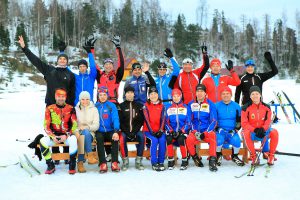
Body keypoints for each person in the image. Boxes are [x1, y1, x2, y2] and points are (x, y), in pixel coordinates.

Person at [18, 35, 75, 106]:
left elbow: (72, 93)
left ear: (67, 61)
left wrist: (71, 107)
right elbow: (36, 61)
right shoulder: (49, 70)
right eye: (60, 59)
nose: (62, 60)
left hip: (65, 107)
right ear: (57, 61)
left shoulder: (70, 74)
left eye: (64, 59)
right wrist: (24, 48)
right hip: (51, 106)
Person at [39, 88, 78, 174]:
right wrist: (53, 136)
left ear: (65, 97)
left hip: (66, 136)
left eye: (63, 96)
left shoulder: (71, 108)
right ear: (55, 97)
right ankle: (50, 164)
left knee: (74, 139)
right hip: (54, 136)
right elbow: (46, 125)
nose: (61, 98)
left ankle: (72, 164)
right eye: (59, 96)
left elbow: (75, 124)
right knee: (42, 141)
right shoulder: (50, 108)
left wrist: (67, 135)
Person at [241, 86, 279, 166]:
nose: (255, 96)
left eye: (257, 94)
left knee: (274, 132)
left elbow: (268, 121)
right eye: (253, 94)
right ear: (250, 96)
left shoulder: (266, 107)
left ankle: (271, 156)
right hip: (252, 132)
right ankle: (254, 157)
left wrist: (263, 129)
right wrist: (255, 130)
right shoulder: (245, 108)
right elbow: (244, 123)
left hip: (264, 131)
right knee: (245, 133)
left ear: (260, 95)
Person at [186, 84, 218, 172]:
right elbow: (189, 120)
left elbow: (214, 120)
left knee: (213, 136)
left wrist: (206, 133)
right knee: (189, 139)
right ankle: (195, 157)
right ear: (195, 93)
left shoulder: (210, 104)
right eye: (198, 91)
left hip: (206, 130)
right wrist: (194, 131)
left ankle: (212, 160)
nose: (199, 93)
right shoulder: (191, 104)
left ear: (205, 93)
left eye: (201, 91)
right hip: (195, 131)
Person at [215, 86, 244, 166]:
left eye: (227, 93)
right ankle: (218, 155)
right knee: (219, 140)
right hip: (220, 131)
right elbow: (213, 120)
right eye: (223, 94)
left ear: (231, 95)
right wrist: (217, 128)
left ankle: (235, 156)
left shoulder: (236, 106)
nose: (225, 95)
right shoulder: (216, 106)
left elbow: (239, 120)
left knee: (236, 141)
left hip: (232, 131)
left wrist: (235, 130)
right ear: (220, 95)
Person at [95, 86, 120, 173]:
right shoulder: (95, 106)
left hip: (110, 130)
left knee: (115, 138)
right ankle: (102, 163)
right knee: (99, 139)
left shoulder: (111, 105)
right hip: (100, 131)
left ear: (107, 95)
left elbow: (115, 118)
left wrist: (116, 131)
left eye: (104, 95)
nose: (102, 97)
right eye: (100, 95)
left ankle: (115, 162)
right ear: (98, 96)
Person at [119, 86, 145, 170]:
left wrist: (134, 132)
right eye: (128, 93)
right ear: (125, 94)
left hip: (135, 131)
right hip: (125, 131)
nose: (130, 94)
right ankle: (125, 161)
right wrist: (127, 132)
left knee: (142, 136)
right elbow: (120, 121)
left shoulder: (139, 105)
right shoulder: (121, 106)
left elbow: (140, 121)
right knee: (122, 138)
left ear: (134, 94)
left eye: (131, 93)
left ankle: (138, 160)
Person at [94, 35, 124, 104]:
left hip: (113, 103)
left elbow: (121, 63)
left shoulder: (117, 76)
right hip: (100, 103)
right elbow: (93, 64)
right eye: (106, 64)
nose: (108, 66)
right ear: (103, 66)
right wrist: (91, 49)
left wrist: (118, 48)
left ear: (113, 66)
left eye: (110, 64)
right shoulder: (99, 75)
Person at [143, 86, 166, 171]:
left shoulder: (162, 106)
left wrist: (160, 130)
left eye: (155, 94)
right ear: (149, 96)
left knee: (162, 140)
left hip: (159, 130)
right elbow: (146, 119)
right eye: (151, 94)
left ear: (158, 95)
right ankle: (154, 162)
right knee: (154, 140)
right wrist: (152, 131)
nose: (153, 96)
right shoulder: (145, 106)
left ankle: (161, 162)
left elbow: (163, 119)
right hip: (148, 131)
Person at [165, 89, 190, 170]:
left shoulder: (186, 107)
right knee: (168, 139)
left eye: (177, 96)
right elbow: (166, 122)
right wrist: (171, 131)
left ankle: (184, 159)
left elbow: (188, 122)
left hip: (183, 131)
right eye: (174, 96)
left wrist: (182, 131)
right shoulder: (168, 108)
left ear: (181, 96)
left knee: (181, 139)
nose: (176, 98)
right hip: (172, 131)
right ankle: (171, 160)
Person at [75, 91, 100, 173]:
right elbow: (73, 124)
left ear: (90, 99)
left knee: (85, 134)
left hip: (90, 133)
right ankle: (90, 156)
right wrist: (77, 131)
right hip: (78, 132)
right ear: (79, 99)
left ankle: (80, 163)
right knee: (81, 137)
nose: (85, 101)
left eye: (87, 99)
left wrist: (88, 127)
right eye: (82, 99)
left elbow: (96, 125)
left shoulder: (94, 109)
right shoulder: (75, 109)